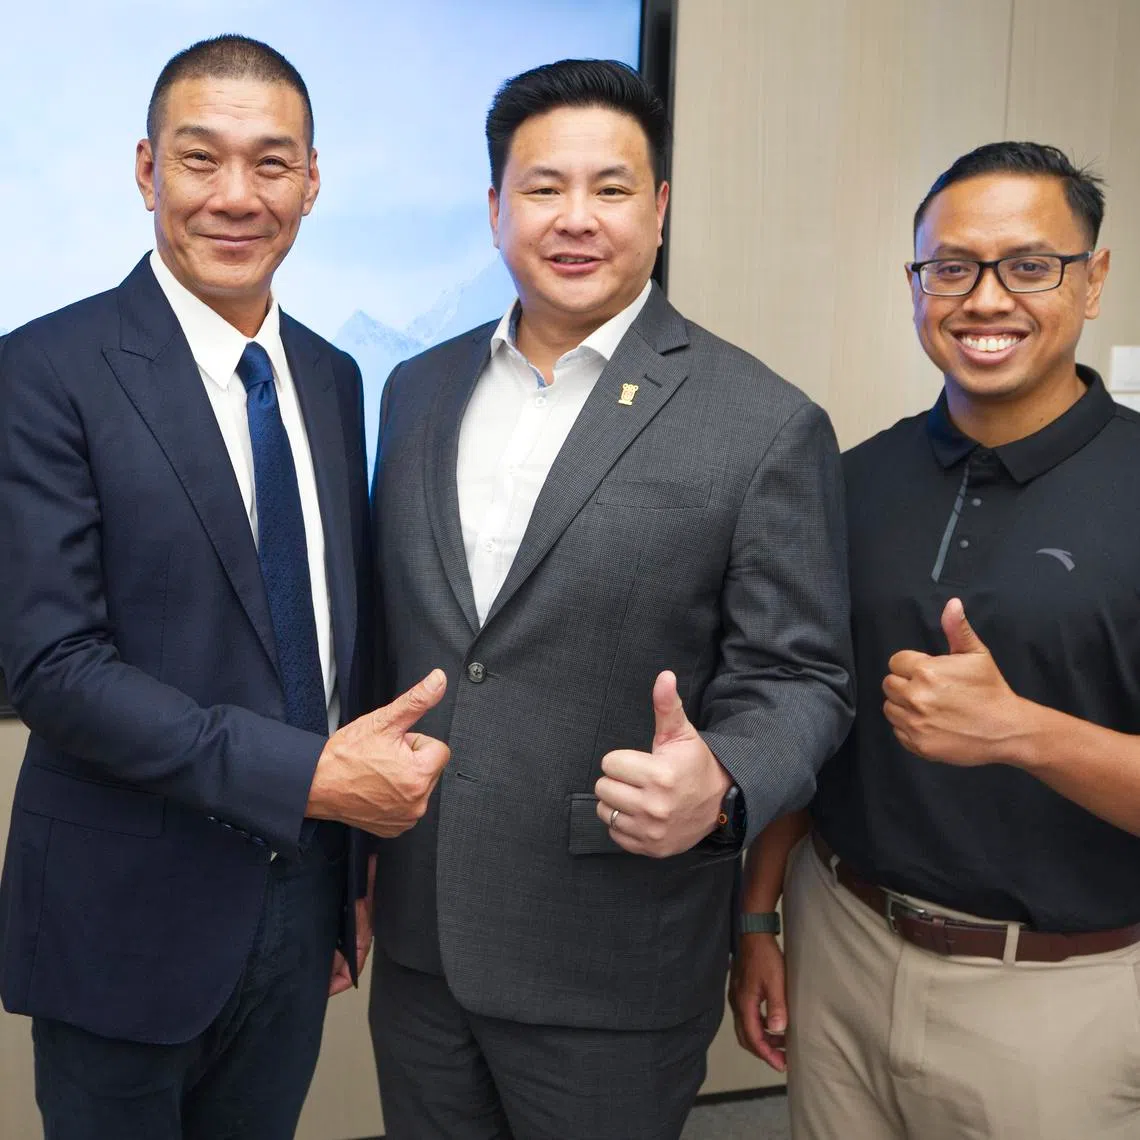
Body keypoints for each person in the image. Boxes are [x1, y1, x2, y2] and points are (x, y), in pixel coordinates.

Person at [367, 58, 854, 1140]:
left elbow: (805, 677)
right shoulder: (417, 390)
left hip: (612, 959)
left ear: (663, 205)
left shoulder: (761, 421)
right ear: (496, 208)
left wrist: (724, 779)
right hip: (421, 943)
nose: (575, 218)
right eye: (543, 188)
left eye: (613, 187)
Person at [0, 35, 449, 1140]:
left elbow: (329, 638)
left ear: (311, 182)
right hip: (123, 917)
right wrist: (315, 778)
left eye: (271, 163)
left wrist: (349, 868)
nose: (236, 197)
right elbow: (52, 669)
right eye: (202, 161)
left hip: (299, 907)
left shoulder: (338, 382)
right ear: (148, 171)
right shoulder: (44, 371)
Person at [731, 141, 1140, 1140]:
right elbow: (811, 711)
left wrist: (1021, 733)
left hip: (1057, 994)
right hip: (846, 944)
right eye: (950, 268)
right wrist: (759, 917)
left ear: (1093, 281)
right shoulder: (851, 479)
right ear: (916, 287)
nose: (984, 298)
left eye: (1029, 265)